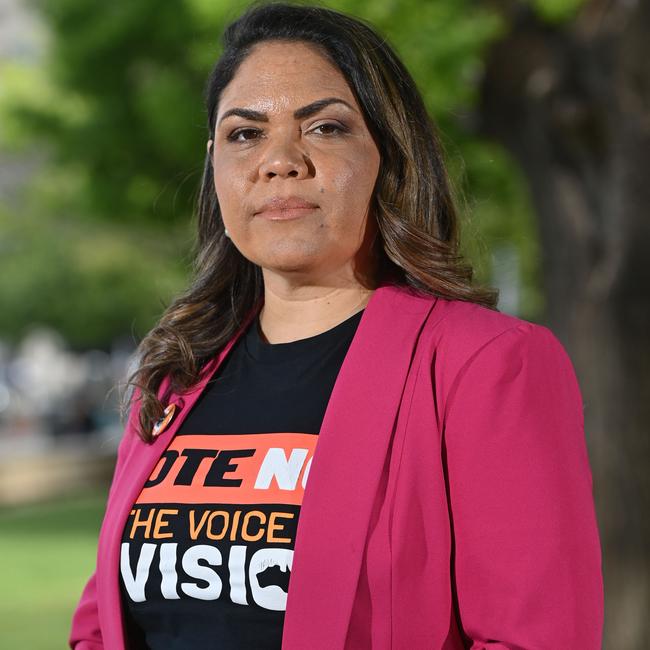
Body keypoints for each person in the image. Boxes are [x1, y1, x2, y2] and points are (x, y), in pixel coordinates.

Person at [69, 2, 604, 649]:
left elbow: (535, 638)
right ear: (215, 167)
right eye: (245, 134)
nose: (280, 160)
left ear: (389, 155)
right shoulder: (175, 376)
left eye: (324, 128)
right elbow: (101, 628)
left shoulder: (484, 365)